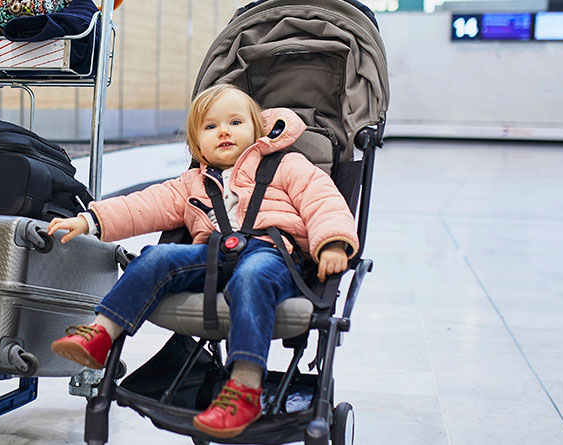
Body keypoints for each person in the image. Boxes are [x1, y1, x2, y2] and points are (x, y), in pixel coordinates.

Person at [46, 84, 358, 439]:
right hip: (212, 257)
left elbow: (323, 201)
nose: (223, 131)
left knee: (252, 275)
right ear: (197, 146)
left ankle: (244, 388)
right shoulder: (191, 182)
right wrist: (90, 220)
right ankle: (101, 333)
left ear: (258, 130)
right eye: (210, 127)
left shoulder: (287, 165)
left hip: (271, 254)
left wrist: (332, 244)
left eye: (235, 122)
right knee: (157, 256)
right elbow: (142, 205)